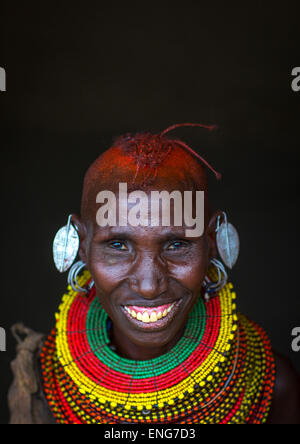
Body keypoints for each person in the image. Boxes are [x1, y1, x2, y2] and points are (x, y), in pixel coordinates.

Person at [9, 124, 300, 424]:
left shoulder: (271, 385)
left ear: (211, 242)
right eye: (118, 245)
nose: (149, 286)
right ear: (82, 247)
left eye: (177, 245)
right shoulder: (42, 387)